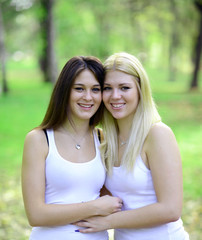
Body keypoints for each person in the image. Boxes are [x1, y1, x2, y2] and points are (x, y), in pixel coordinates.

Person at [74, 52, 190, 240]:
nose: (115, 96)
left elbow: (170, 209)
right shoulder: (106, 141)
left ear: (140, 90)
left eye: (124, 87)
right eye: (107, 88)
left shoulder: (157, 134)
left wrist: (108, 222)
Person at [21, 56, 123, 240]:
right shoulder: (39, 139)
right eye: (79, 89)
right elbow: (36, 215)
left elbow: (112, 197)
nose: (88, 97)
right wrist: (94, 207)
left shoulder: (103, 139)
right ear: (65, 92)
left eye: (96, 89)